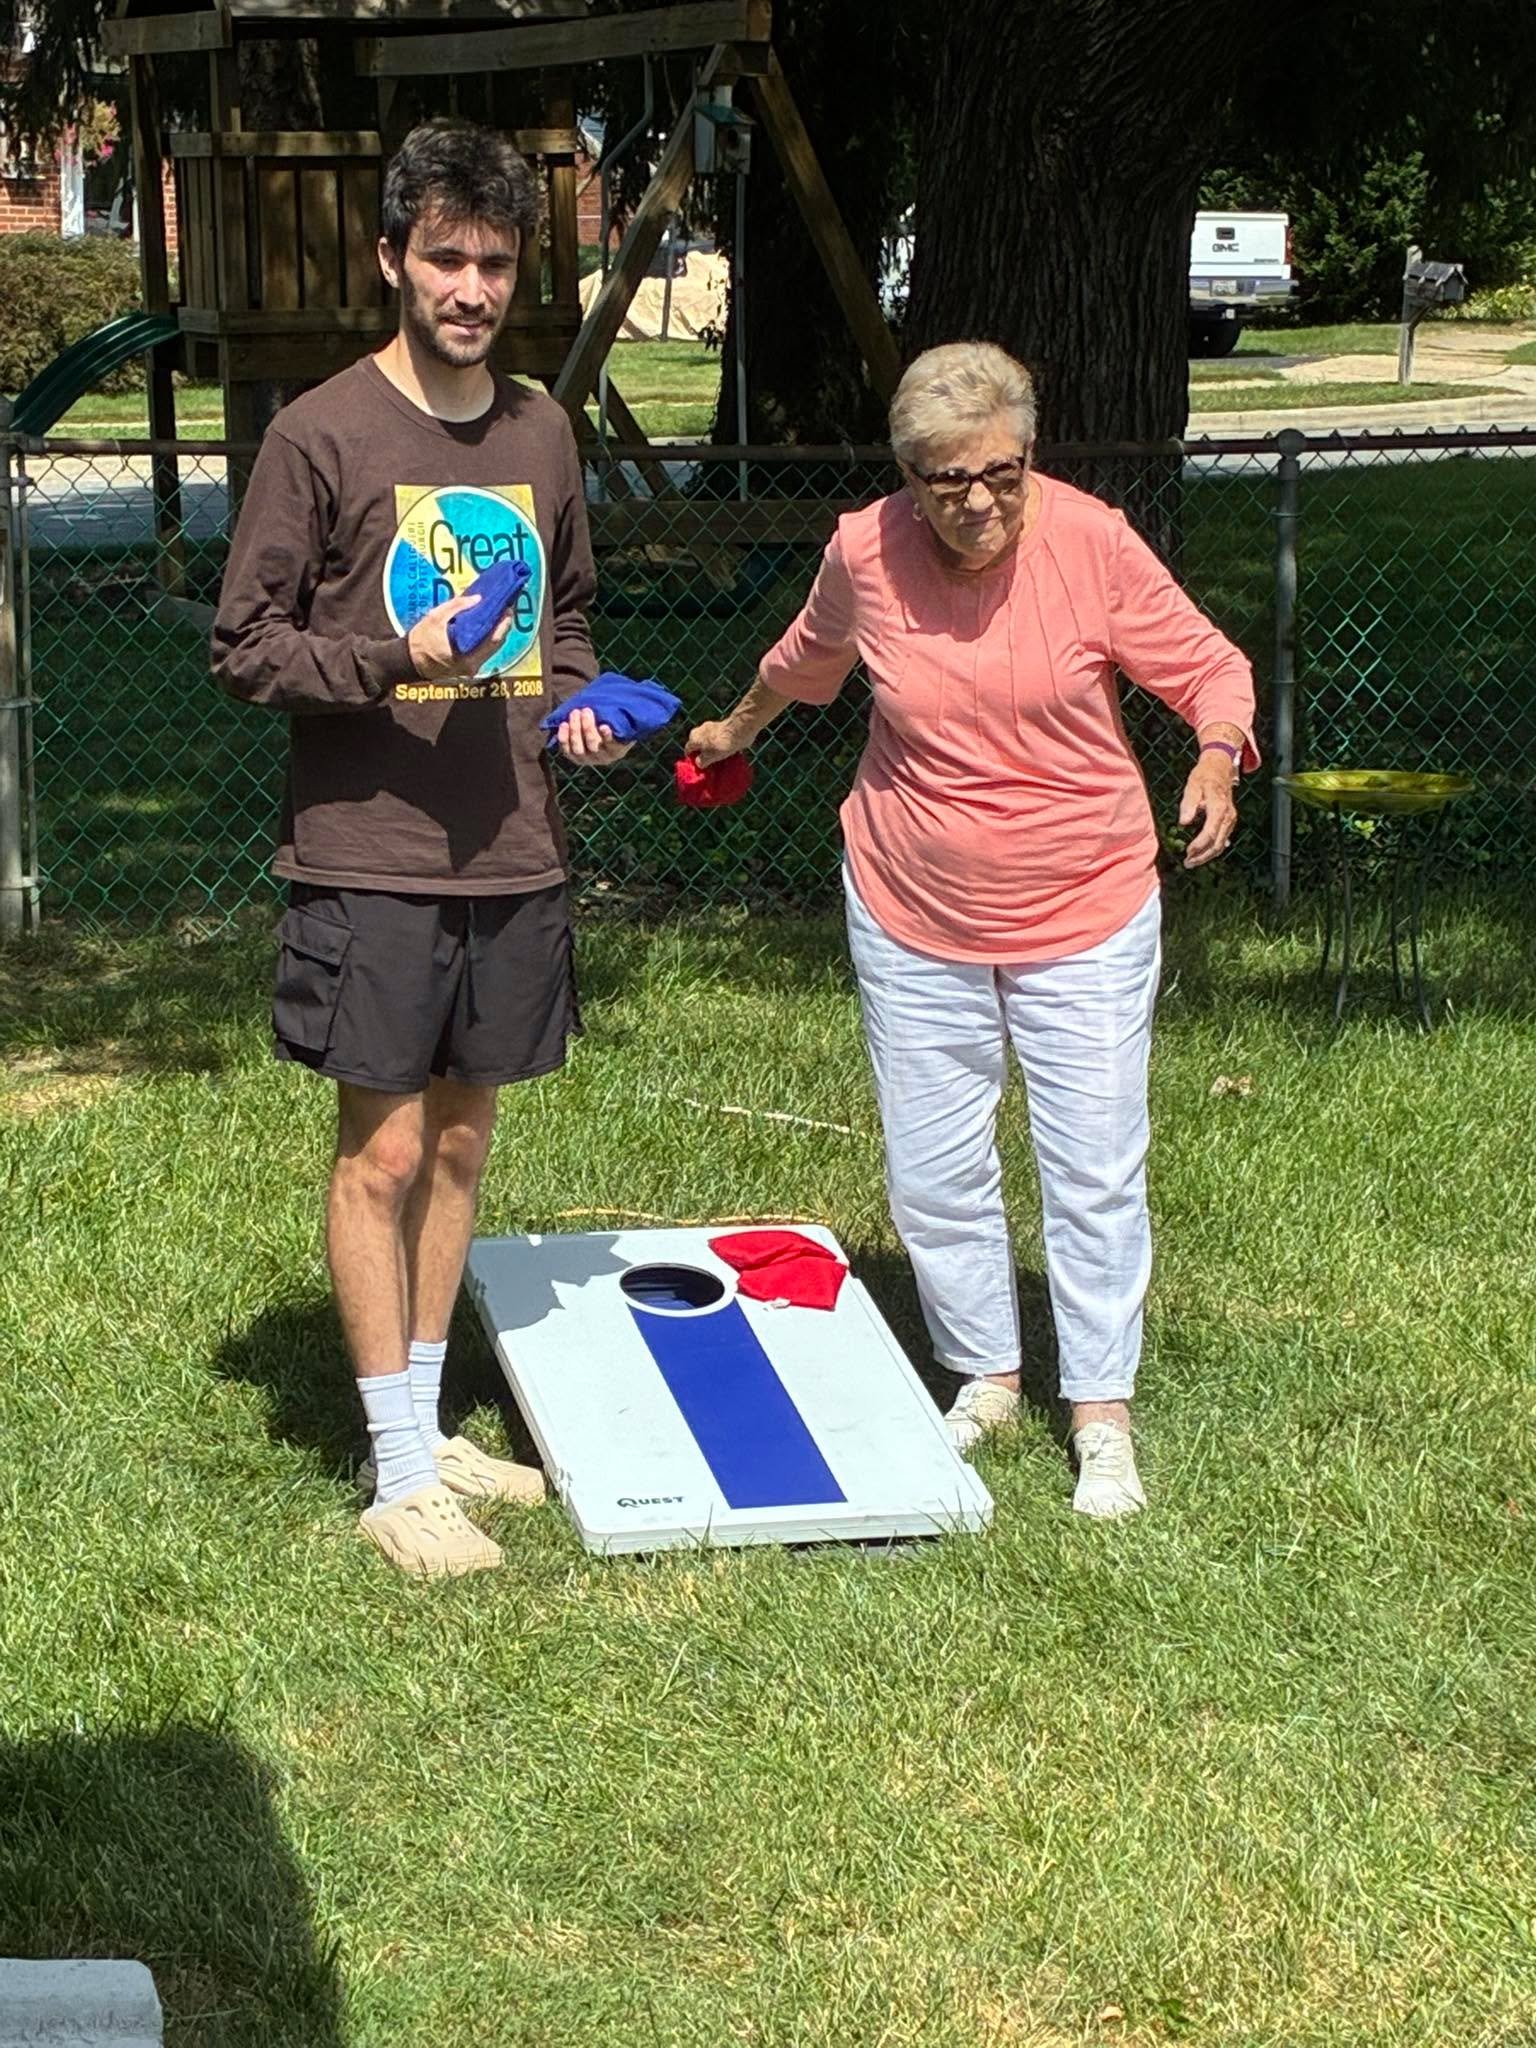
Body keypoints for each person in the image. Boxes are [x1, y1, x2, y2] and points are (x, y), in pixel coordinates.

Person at [687, 341, 1256, 1518]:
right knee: (935, 1166)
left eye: (1003, 472)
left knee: (1093, 1167)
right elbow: (806, 662)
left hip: (1085, 903)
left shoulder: (1091, 541)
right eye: (949, 482)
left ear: (1029, 456)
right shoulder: (866, 547)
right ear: (907, 473)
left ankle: (1101, 1409)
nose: (981, 502)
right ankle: (986, 1371)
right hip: (912, 902)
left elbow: (1210, 665)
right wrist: (733, 730)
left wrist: (1213, 758)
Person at [212, 122, 628, 1577]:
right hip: (369, 854)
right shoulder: (320, 432)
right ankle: (394, 1469)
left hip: (515, 847)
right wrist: (396, 655)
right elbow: (246, 648)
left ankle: (431, 1413)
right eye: (443, 256)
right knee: (380, 1149)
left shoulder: (542, 433)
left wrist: (583, 713)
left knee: (462, 1138)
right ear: (391, 258)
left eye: (494, 262)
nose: (469, 284)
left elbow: (564, 624)